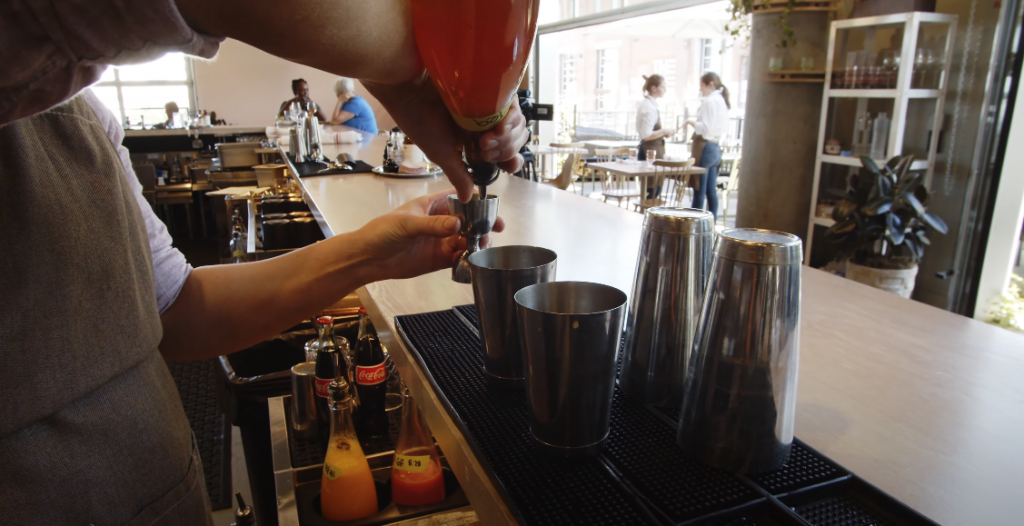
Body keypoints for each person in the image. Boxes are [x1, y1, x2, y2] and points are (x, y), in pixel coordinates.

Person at [0, 1, 529, 524]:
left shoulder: (87, 117)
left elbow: (173, 311)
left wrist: (372, 252)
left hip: (158, 491)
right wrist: (415, 75)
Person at [685, 72, 731, 219]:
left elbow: (706, 128)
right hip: (716, 148)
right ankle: (711, 224)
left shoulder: (710, 101)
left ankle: (694, 227)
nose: (701, 90)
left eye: (702, 86)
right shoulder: (721, 100)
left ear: (711, 84)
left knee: (699, 190)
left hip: (705, 148)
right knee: (711, 191)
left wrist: (692, 123)